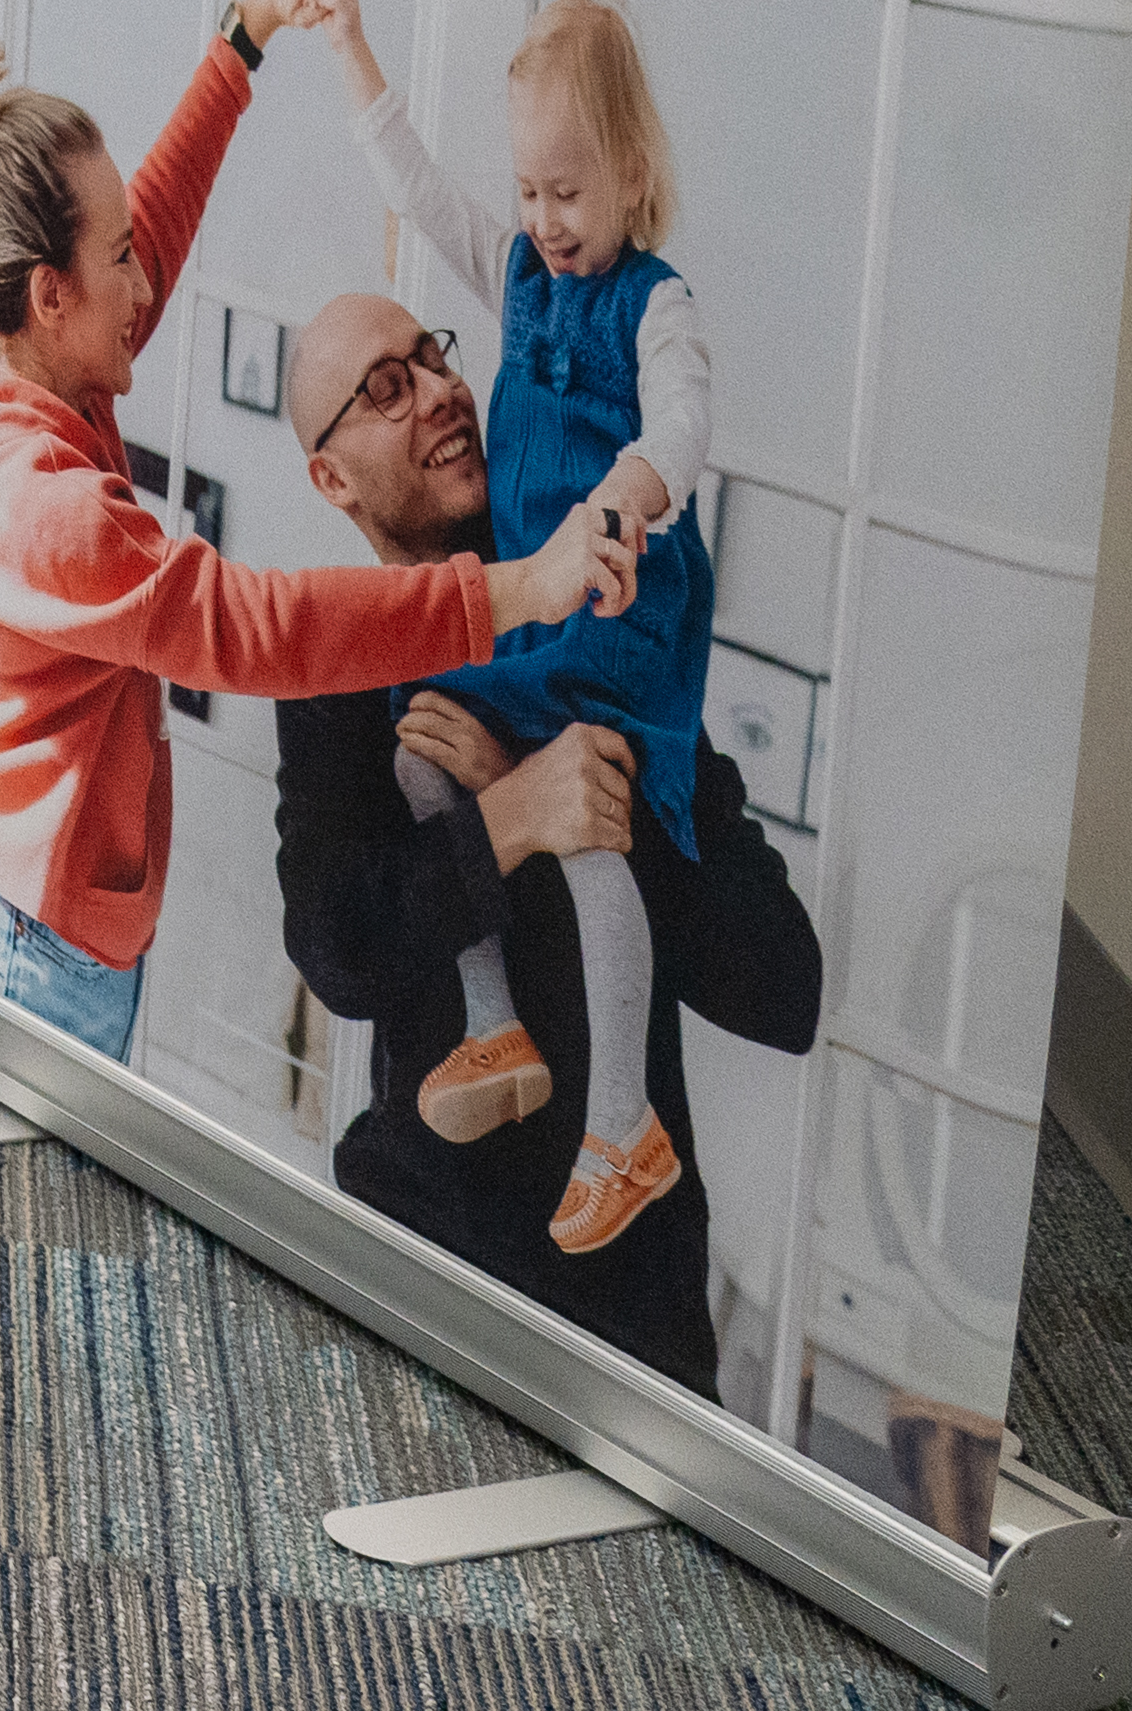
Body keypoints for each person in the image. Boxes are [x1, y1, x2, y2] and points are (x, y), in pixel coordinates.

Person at [0, 0, 643, 1060]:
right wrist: (515, 590)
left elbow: (148, 218)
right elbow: (253, 627)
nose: (145, 285)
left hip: (44, 921)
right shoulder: (41, 512)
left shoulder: (22, 360)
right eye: (117, 267)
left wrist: (243, 37)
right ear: (52, 298)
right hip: (31, 954)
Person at [273, 279, 823, 1387]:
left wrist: (588, 804)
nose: (439, 392)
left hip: (625, 1304)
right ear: (330, 477)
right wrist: (512, 814)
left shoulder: (607, 630)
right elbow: (338, 949)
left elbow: (784, 987)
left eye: (434, 357)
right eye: (387, 387)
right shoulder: (332, 662)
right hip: (416, 1247)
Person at [290, 0, 726, 1252]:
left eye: (568, 193)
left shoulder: (650, 305)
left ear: (632, 178)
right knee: (430, 764)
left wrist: (619, 508)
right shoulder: (527, 278)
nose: (540, 220)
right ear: (329, 481)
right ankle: (495, 1031)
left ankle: (618, 1125)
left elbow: (685, 428)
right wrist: (349, 45)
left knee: (592, 832)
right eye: (528, 191)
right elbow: (419, 190)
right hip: (525, 638)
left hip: (603, 617)